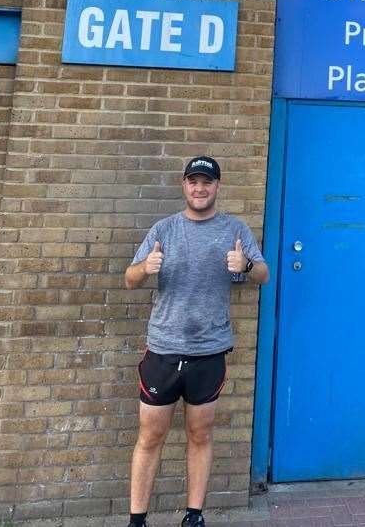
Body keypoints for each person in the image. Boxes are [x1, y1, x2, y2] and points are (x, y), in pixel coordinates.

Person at [123, 156, 270, 527]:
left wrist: (247, 267)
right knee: (150, 435)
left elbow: (264, 274)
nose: (199, 189)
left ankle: (194, 516)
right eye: (193, 182)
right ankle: (137, 520)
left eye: (207, 182)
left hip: (209, 351)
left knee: (200, 434)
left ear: (217, 186)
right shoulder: (164, 229)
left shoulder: (234, 228)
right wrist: (145, 268)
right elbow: (129, 278)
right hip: (163, 350)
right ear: (183, 185)